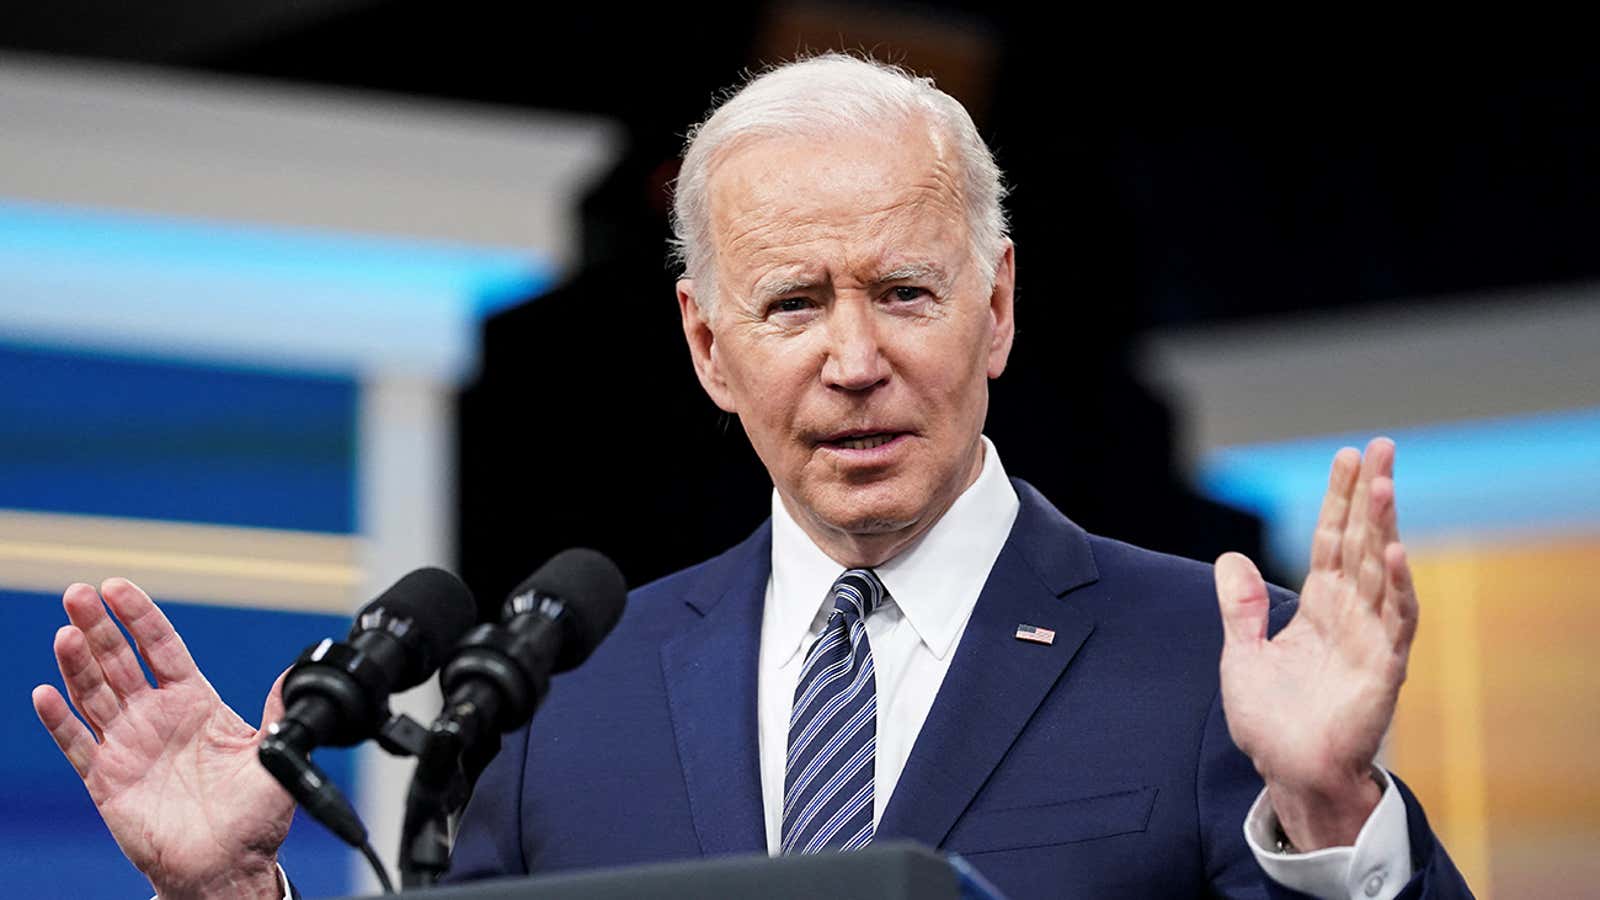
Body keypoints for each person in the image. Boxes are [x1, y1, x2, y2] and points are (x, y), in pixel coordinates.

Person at [32, 54, 1471, 899]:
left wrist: (1339, 816)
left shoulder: (1214, 662)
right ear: (709, 346)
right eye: (793, 305)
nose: (852, 360)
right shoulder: (559, 708)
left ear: (1002, 308)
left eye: (904, 291)